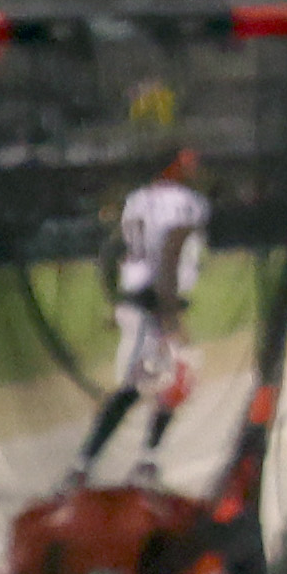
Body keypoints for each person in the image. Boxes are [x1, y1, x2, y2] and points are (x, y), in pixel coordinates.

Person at [100, 146, 211, 481]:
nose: (194, 168)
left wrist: (113, 298)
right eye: (188, 163)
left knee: (144, 383)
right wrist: (170, 317)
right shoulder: (188, 203)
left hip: (133, 302)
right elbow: (170, 257)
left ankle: (98, 461)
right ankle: (137, 460)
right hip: (157, 304)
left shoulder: (135, 200)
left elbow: (112, 251)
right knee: (163, 382)